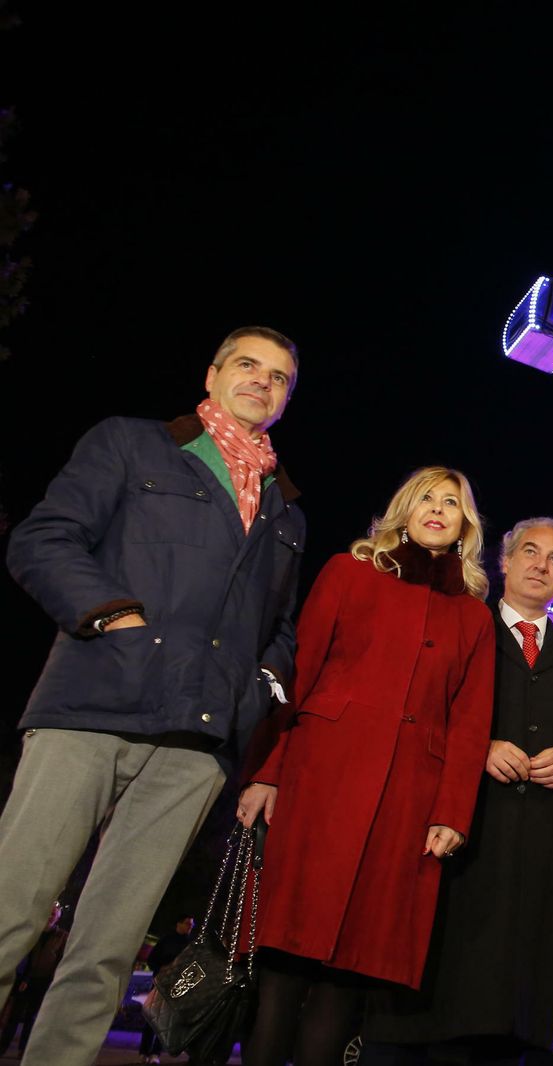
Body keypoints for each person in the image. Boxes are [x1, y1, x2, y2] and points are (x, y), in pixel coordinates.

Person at [0, 326, 304, 1065]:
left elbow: (281, 628)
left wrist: (259, 688)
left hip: (194, 748)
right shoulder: (132, 444)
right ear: (212, 374)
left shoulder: (285, 509)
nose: (262, 381)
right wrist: (116, 619)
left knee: (107, 950)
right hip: (92, 709)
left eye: (279, 377)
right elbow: (43, 540)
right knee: (11, 912)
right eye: (248, 365)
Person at [236, 466, 496, 1066]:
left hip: (405, 805)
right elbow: (297, 676)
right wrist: (267, 771)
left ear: (465, 525)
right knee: (283, 964)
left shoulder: (474, 618)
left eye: (451, 502)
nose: (438, 509)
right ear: (404, 510)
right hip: (319, 783)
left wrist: (452, 813)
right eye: (426, 498)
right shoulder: (348, 573)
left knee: (347, 976)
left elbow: (470, 722)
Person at [364, 517, 553, 1064]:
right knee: (426, 1005)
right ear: (504, 561)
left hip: (537, 859)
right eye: (530, 552)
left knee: (502, 1024)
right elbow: (418, 720)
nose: (541, 566)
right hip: (457, 840)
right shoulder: (461, 629)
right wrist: (477, 747)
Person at [0, 903, 68, 1057]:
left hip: (44, 982)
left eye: (54, 914)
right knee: (14, 1016)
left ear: (58, 917)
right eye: (49, 913)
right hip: (26, 980)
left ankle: (24, 1050)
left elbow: (61, 959)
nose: (50, 916)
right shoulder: (34, 932)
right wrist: (24, 977)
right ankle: (3, 1046)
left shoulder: (62, 936)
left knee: (33, 1018)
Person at [138, 915, 195, 1063]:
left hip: (177, 985)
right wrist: (161, 968)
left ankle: (156, 1053)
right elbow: (151, 960)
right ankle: (144, 1051)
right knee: (152, 1017)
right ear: (179, 924)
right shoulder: (166, 940)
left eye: (192, 924)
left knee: (166, 1020)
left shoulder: (191, 943)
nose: (190, 927)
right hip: (160, 982)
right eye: (187, 923)